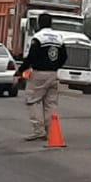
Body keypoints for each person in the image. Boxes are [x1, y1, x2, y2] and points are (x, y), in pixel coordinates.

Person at [15, 13, 67, 141]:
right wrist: (55, 66)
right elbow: (64, 56)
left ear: (39, 23)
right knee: (51, 104)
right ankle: (51, 131)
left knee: (33, 100)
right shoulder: (59, 37)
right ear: (51, 23)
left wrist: (20, 71)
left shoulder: (38, 38)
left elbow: (31, 57)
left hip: (39, 73)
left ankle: (38, 130)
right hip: (53, 74)